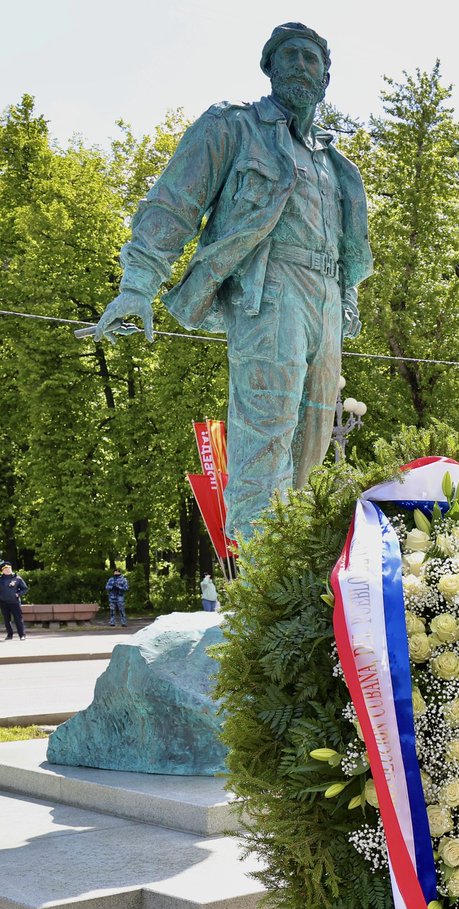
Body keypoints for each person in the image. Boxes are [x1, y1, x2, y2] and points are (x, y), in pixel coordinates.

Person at [92, 23, 372, 542]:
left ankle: (293, 581)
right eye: (287, 55)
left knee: (311, 446)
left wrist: (347, 299)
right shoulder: (233, 128)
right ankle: (256, 589)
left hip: (327, 301)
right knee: (264, 437)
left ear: (327, 77)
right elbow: (174, 202)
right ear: (267, 67)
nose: (299, 66)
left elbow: (347, 245)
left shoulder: (336, 163)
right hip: (269, 291)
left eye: (311, 59)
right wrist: (138, 285)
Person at [1, 561, 29, 641]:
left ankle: (22, 635)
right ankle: (9, 635)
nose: (8, 570)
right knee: (7, 620)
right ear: (2, 571)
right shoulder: (0, 579)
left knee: (18, 619)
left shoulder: (17, 578)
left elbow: (25, 588)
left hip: (14, 602)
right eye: (6, 569)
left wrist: (18, 594)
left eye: (9, 568)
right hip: (3, 602)